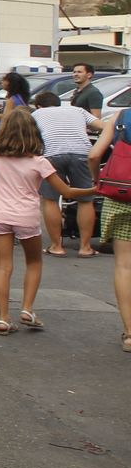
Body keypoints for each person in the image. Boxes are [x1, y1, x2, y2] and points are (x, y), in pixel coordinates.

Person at [0, 108, 97, 335]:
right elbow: (67, 191)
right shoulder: (39, 162)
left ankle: (3, 318)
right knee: (34, 262)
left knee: (3, 266)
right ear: (34, 133)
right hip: (26, 217)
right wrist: (95, 189)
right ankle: (27, 309)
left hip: (0, 216)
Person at [31, 90, 103, 258]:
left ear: (39, 106)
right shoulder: (78, 110)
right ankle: (85, 247)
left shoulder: (36, 114)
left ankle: (56, 246)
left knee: (50, 199)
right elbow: (103, 126)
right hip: (82, 152)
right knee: (86, 199)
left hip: (52, 154)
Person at [86, 108, 131, 351]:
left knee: (125, 265)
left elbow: (94, 155)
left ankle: (130, 333)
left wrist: (97, 181)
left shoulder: (121, 116)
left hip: (121, 195)